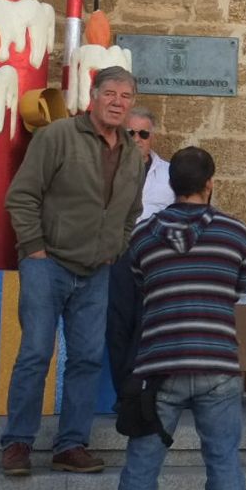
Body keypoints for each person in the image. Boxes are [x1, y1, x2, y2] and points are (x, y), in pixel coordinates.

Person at [107, 146, 246, 490]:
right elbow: (236, 288)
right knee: (223, 463)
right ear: (210, 182)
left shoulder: (142, 236)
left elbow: (141, 286)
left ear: (170, 183)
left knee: (141, 464)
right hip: (216, 359)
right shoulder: (234, 233)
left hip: (158, 364)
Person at [0, 66, 144, 476]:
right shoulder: (56, 137)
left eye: (126, 96)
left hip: (97, 270)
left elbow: (131, 212)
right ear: (93, 96)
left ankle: (71, 445)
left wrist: (116, 247)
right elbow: (22, 196)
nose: (118, 102)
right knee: (35, 353)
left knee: (86, 359)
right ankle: (17, 444)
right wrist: (34, 249)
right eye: (111, 93)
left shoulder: (133, 154)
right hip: (49, 265)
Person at [106, 106, 174, 392]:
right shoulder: (106, 168)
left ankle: (136, 388)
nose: (137, 138)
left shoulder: (170, 174)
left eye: (143, 133)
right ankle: (124, 391)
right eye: (131, 132)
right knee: (117, 324)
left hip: (154, 259)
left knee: (147, 323)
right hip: (118, 255)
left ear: (152, 137)